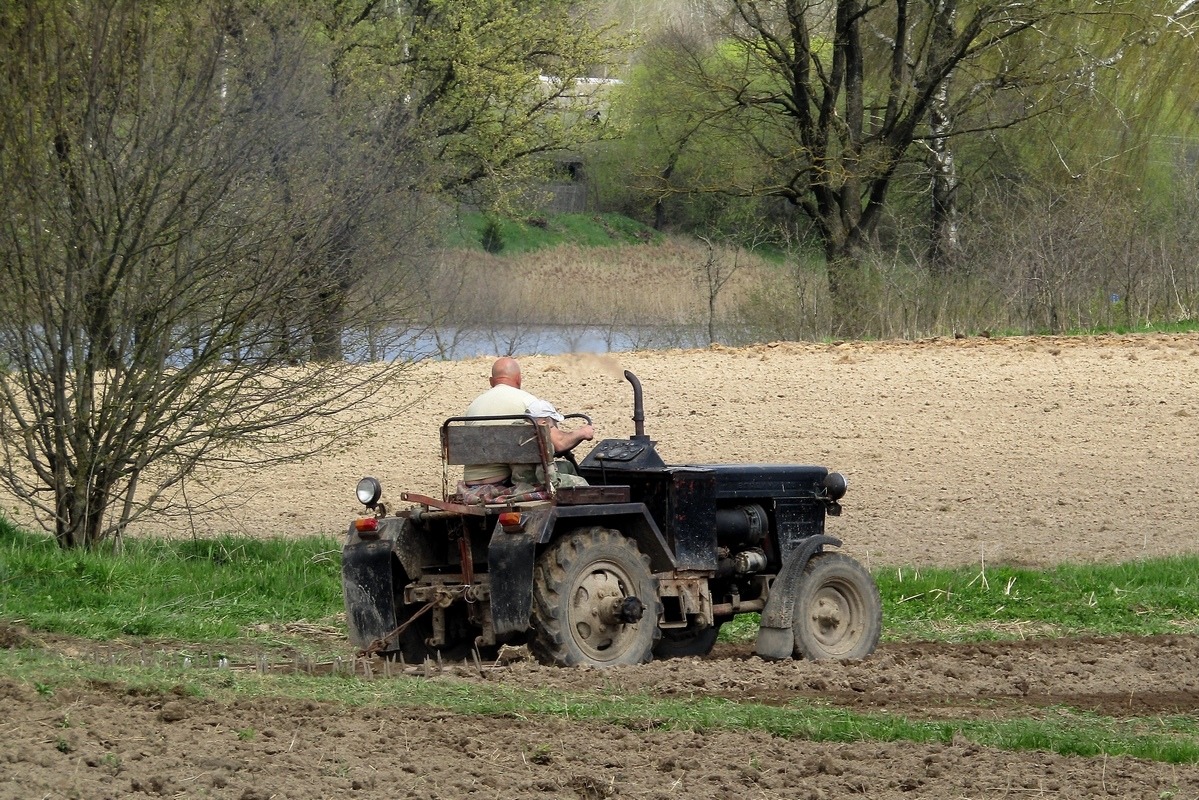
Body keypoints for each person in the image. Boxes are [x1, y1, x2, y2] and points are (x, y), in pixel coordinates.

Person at [463, 357, 594, 487]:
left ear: (491, 381)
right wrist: (583, 432)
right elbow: (559, 443)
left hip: (471, 482)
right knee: (569, 472)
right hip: (504, 481)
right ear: (519, 378)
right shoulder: (527, 403)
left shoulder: (474, 405)